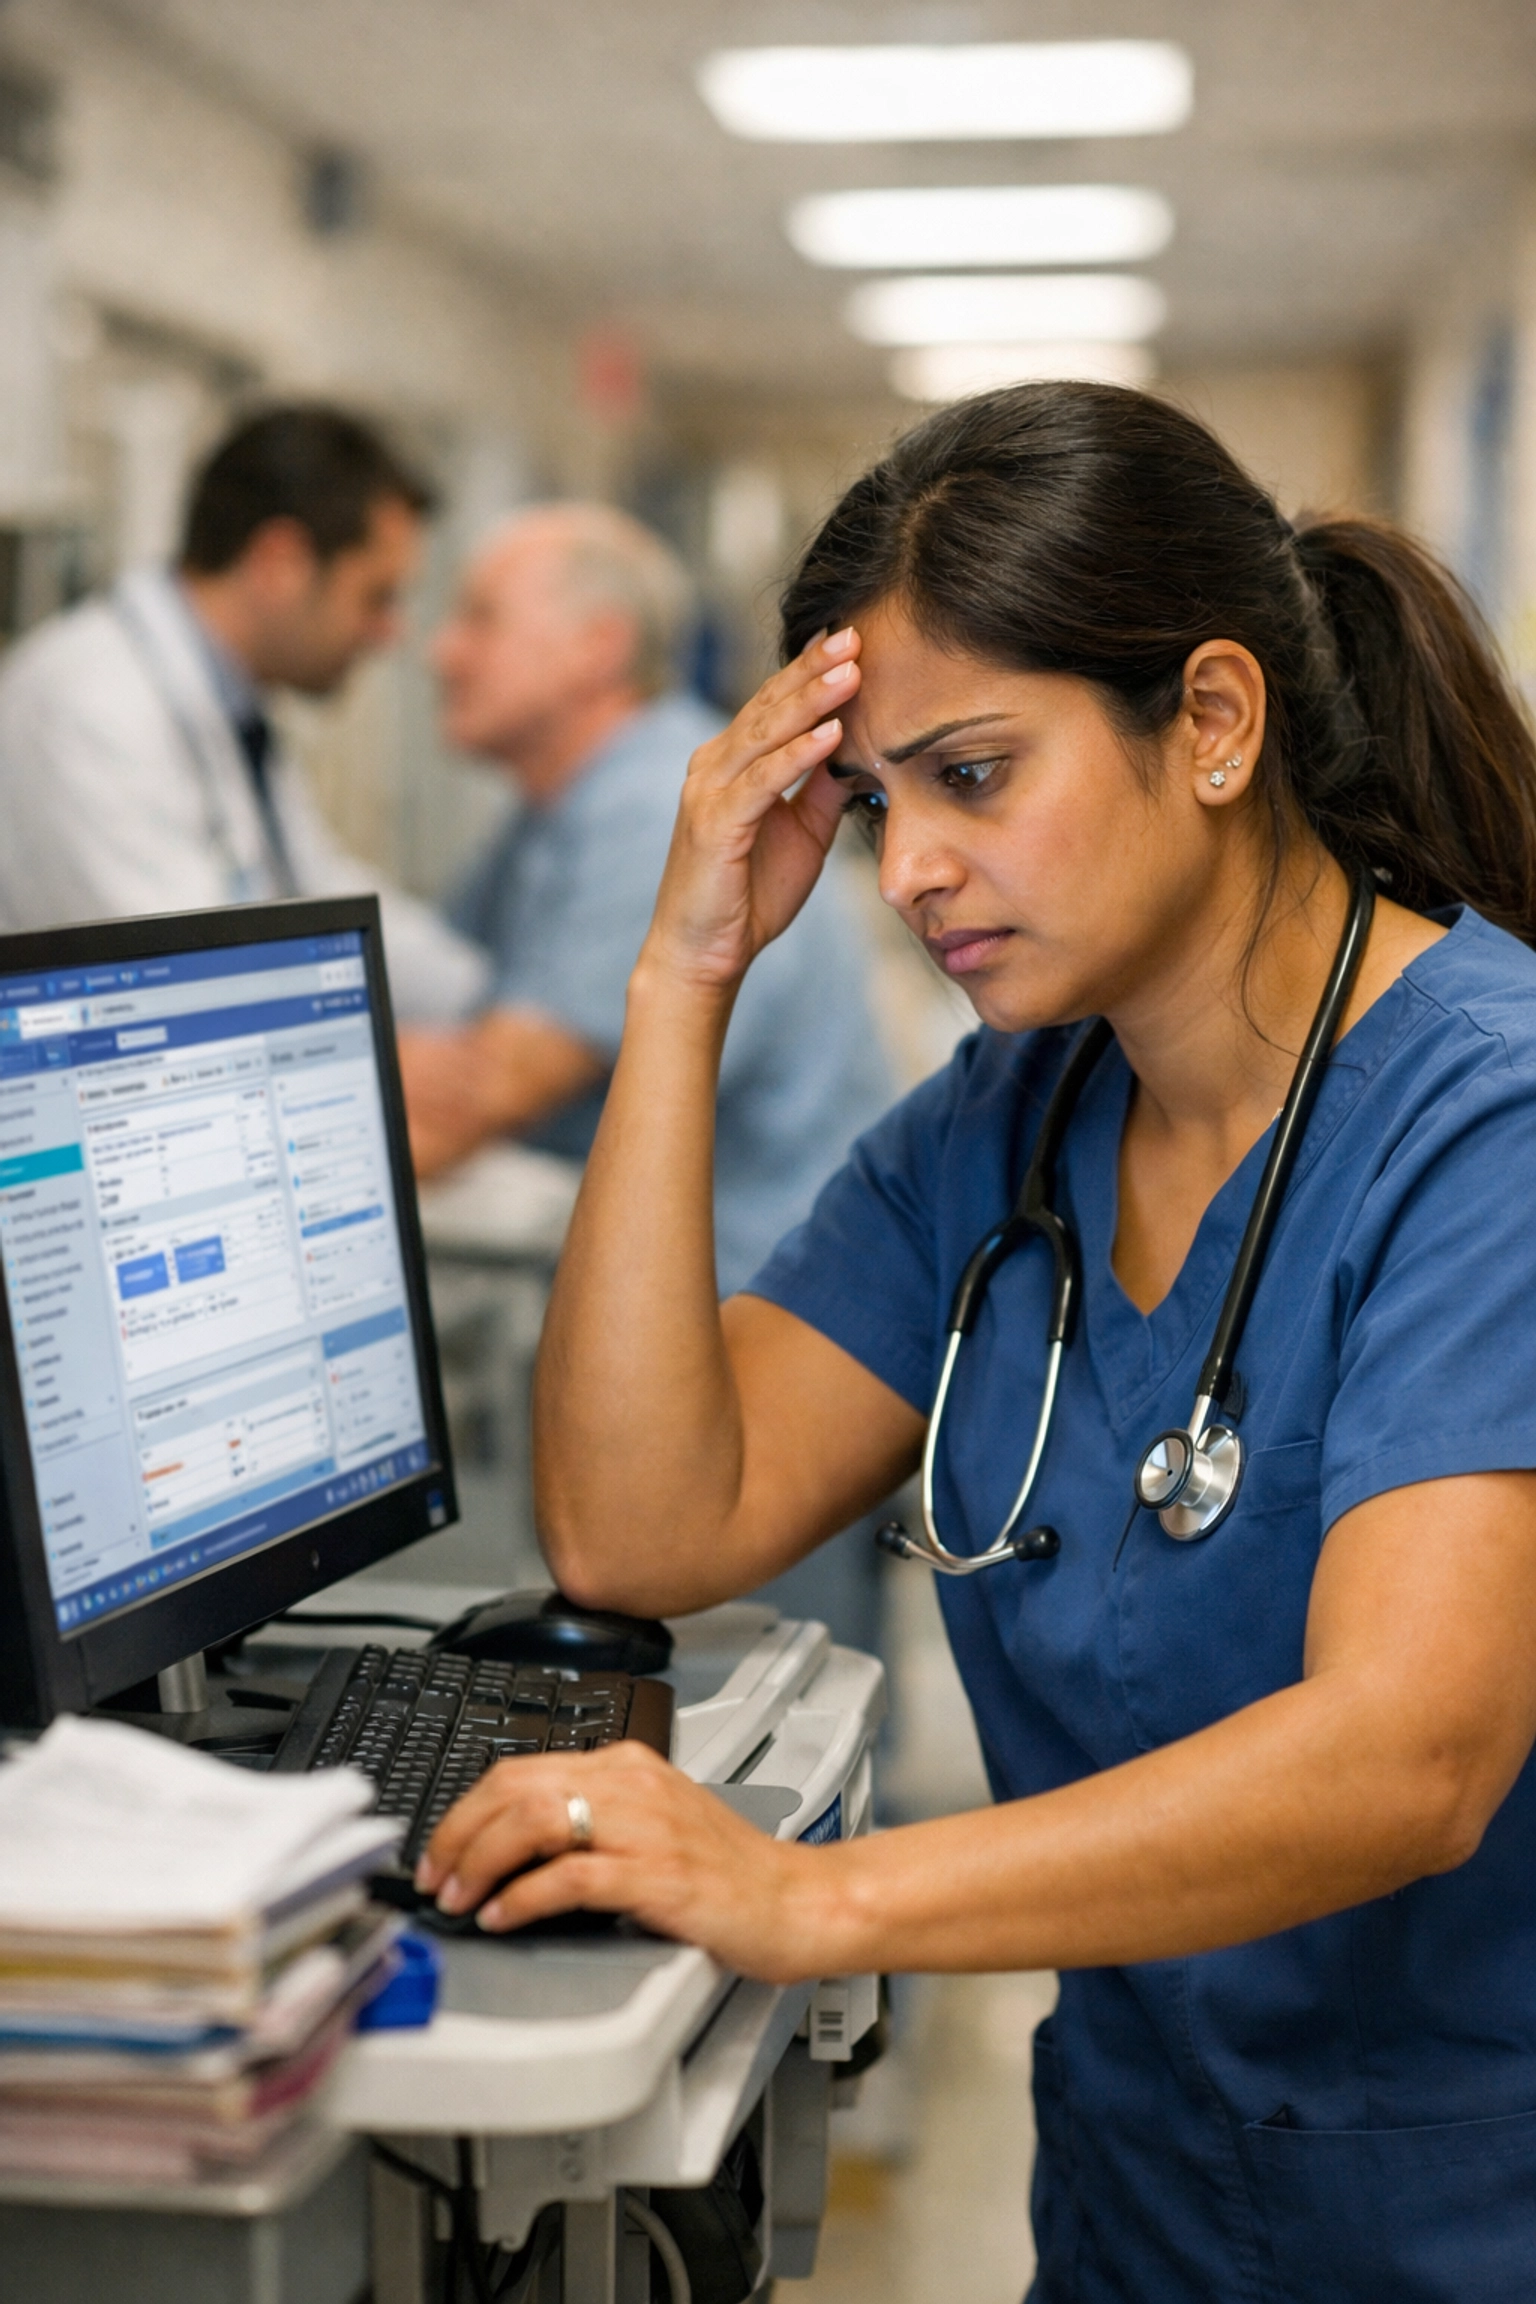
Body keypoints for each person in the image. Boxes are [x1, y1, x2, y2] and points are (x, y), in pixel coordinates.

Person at [416, 384, 1536, 2299]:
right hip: (1135, 2203)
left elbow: (1408, 1751)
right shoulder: (1007, 1121)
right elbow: (640, 1525)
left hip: (1451, 2224)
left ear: (1209, 721)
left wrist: (802, 1892)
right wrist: (679, 979)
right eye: (874, 802)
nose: (909, 865)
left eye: (974, 775)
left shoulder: (1485, 1116)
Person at [399, 501, 892, 1299]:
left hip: (768, 1312)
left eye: (480, 620)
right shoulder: (553, 812)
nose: (441, 650)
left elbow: (472, 1099)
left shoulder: (653, 805)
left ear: (599, 647)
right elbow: (451, 1026)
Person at [0, 404, 489, 1021]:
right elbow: (182, 986)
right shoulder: (86, 707)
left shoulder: (232, 709)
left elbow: (315, 887)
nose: (392, 634)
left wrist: (494, 1001)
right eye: (376, 596)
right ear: (280, 563)